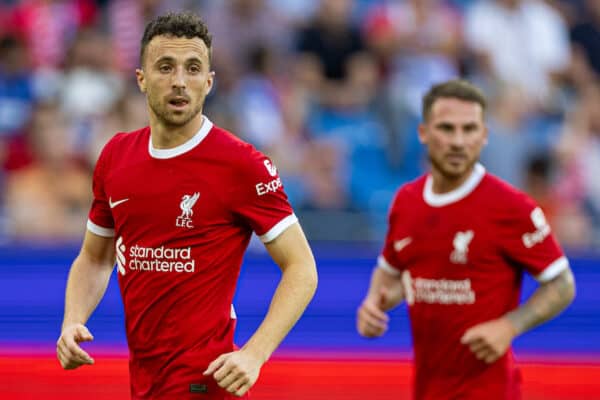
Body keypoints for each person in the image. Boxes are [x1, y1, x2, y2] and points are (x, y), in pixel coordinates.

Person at [56, 12, 318, 399]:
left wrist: (254, 354)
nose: (180, 81)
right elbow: (95, 258)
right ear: (141, 79)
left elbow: (302, 268)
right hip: (144, 378)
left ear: (209, 82)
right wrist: (72, 320)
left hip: (204, 381)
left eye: (193, 68)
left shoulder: (241, 165)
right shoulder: (116, 156)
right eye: (165, 67)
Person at [356, 79, 576, 400]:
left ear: (484, 135)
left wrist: (509, 327)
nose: (459, 141)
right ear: (423, 133)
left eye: (469, 129)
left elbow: (562, 284)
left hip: (489, 390)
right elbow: (391, 272)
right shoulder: (407, 201)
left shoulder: (511, 207)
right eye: (446, 128)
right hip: (427, 388)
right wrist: (373, 303)